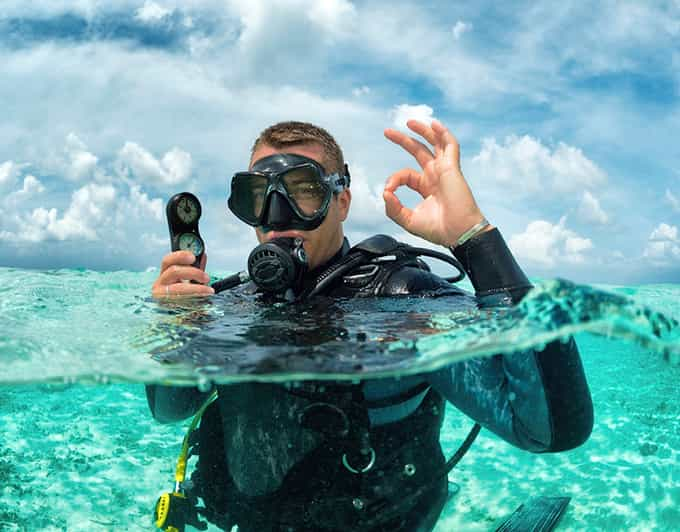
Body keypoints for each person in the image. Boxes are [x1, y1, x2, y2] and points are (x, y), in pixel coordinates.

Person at [147, 119, 593, 531]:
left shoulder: (402, 299)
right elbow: (169, 409)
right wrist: (176, 326)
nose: (276, 216)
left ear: (341, 201)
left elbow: (548, 429)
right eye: (258, 196)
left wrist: (473, 238)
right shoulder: (229, 306)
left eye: (303, 190)